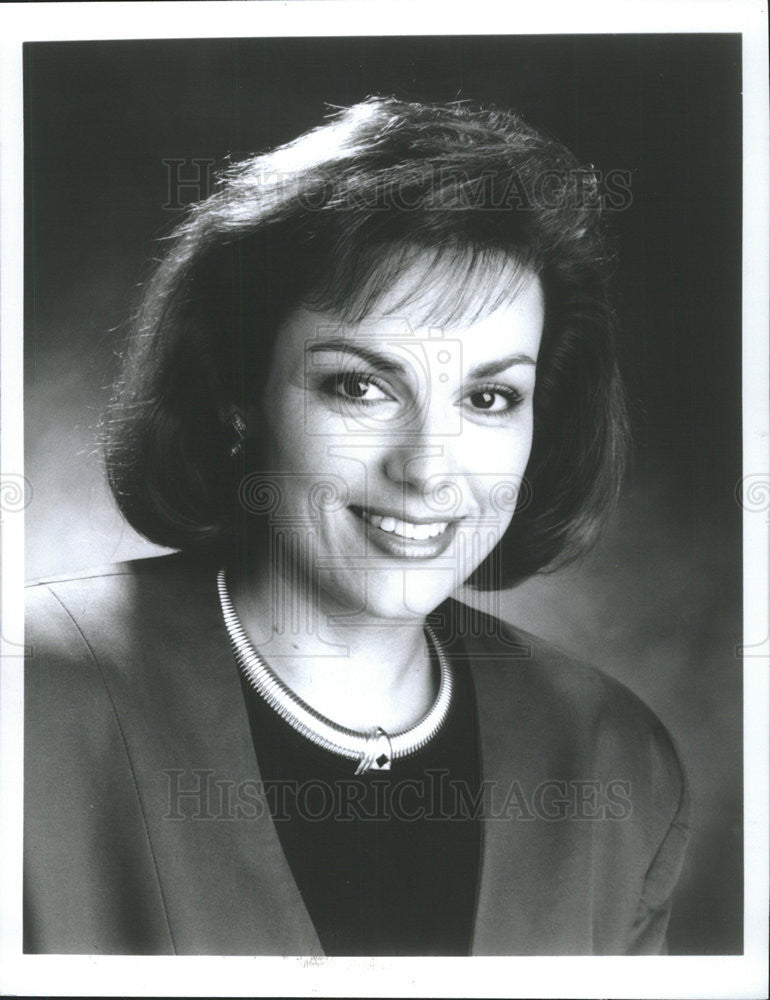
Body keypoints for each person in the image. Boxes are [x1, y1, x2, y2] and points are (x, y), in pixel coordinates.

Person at [24, 97, 689, 956]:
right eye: (361, 387)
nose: (426, 468)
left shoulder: (614, 760)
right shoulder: (30, 702)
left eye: (489, 399)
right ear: (237, 392)